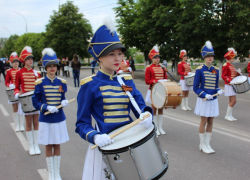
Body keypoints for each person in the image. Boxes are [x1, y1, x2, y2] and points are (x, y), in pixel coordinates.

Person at [75, 17, 153, 180]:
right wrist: (95, 135)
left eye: (120, 53)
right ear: (100, 58)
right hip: (105, 145)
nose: (118, 58)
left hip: (128, 143)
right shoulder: (89, 85)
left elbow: (138, 104)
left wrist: (146, 114)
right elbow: (82, 123)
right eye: (111, 54)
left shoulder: (125, 81)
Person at [32, 48, 69, 180]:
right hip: (46, 118)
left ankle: (57, 172)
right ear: (45, 67)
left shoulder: (62, 83)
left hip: (58, 118)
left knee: (57, 144)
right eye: (50, 66)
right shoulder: (40, 83)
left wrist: (64, 102)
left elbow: (63, 97)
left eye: (54, 66)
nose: (52, 68)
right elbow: (35, 101)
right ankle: (51, 173)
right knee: (48, 145)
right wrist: (46, 107)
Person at [193, 41, 224, 154]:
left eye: (212, 56)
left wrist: (218, 90)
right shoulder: (199, 70)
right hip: (204, 99)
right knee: (204, 121)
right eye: (208, 56)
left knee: (211, 121)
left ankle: (208, 144)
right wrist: (205, 94)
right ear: (204, 57)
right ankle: (202, 144)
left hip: (213, 99)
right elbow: (196, 87)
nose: (210, 58)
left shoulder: (215, 70)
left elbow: (215, 85)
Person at [14, 46, 42, 156]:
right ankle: (31, 146)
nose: (31, 61)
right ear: (24, 61)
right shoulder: (19, 73)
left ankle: (37, 145)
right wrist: (17, 93)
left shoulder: (37, 73)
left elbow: (40, 87)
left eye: (32, 59)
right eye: (29, 59)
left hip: (35, 100)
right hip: (26, 100)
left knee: (36, 122)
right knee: (28, 122)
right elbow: (16, 87)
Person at [145, 45, 168, 136]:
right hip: (153, 90)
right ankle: (154, 128)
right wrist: (156, 81)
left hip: (161, 91)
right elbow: (147, 81)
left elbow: (165, 78)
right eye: (155, 57)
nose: (157, 59)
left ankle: (160, 127)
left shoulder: (162, 67)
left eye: (158, 57)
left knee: (161, 109)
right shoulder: (149, 68)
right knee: (154, 109)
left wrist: (165, 76)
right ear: (152, 58)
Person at [5, 52, 25, 132]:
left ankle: (22, 125)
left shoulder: (21, 70)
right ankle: (17, 125)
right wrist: (9, 85)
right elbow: (6, 82)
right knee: (15, 108)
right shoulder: (9, 71)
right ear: (11, 63)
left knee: (23, 107)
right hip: (13, 91)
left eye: (17, 62)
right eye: (14, 62)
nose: (16, 63)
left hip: (21, 91)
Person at [222, 48, 241, 121]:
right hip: (229, 84)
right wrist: (229, 81)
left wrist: (238, 73)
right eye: (233, 58)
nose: (234, 59)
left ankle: (229, 115)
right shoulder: (226, 65)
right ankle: (227, 115)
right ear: (230, 58)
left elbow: (233, 75)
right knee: (234, 101)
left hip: (232, 84)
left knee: (231, 101)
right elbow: (223, 76)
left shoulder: (231, 65)